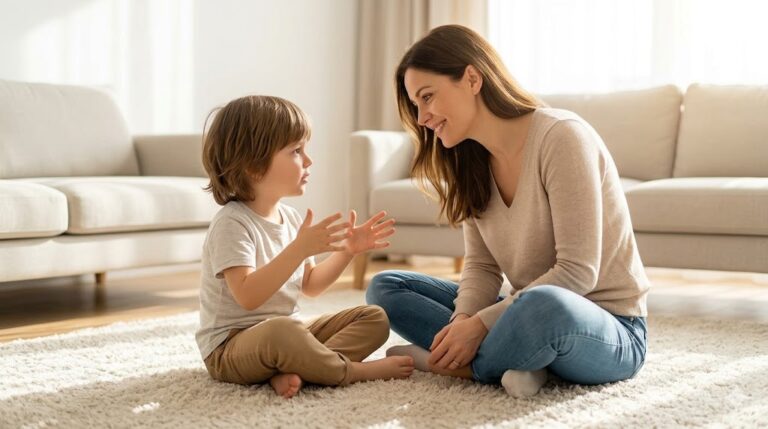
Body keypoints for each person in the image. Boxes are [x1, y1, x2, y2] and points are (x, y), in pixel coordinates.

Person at [365, 25, 649, 398]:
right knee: (386, 287)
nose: (422, 118)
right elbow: (482, 267)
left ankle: (458, 365)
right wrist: (464, 321)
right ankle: (520, 363)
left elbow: (579, 272)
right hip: (522, 313)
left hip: (608, 327)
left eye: (428, 97)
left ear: (471, 78)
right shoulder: (469, 161)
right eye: (416, 105)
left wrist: (482, 325)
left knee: (544, 304)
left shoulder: (561, 136)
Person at [196, 95, 414, 399]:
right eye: (296, 151)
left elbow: (310, 286)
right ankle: (348, 371)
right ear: (253, 166)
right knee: (283, 332)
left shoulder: (290, 216)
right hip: (230, 348)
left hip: (286, 338)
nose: (309, 161)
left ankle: (302, 368)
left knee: (374, 318)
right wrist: (299, 249)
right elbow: (248, 296)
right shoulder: (231, 224)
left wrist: (347, 251)